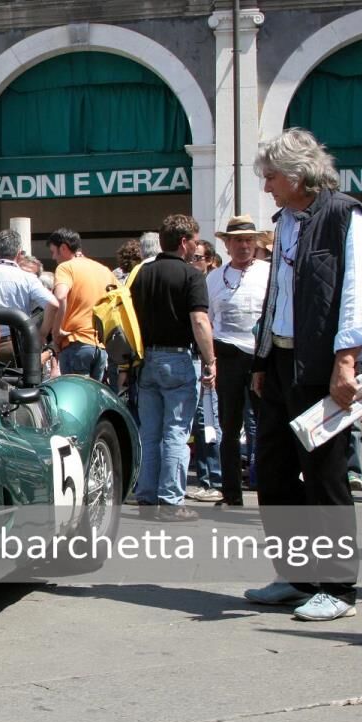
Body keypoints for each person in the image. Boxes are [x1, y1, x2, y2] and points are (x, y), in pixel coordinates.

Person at [244, 128, 362, 621]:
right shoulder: (284, 223)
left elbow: (361, 294)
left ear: (300, 175)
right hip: (280, 363)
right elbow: (276, 297)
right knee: (274, 472)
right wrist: (262, 362)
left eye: (272, 177)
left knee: (326, 476)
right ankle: (298, 576)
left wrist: (347, 362)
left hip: (321, 365)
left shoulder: (345, 216)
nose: (267, 187)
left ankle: (338, 589)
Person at [129, 213, 216, 522]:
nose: (196, 246)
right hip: (179, 359)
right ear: (183, 242)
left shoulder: (142, 274)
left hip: (147, 358)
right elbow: (199, 321)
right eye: (194, 240)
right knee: (176, 432)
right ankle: (170, 501)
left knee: (149, 433)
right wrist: (210, 360)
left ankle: (147, 496)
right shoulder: (192, 276)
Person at [206, 216, 269, 506]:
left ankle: (267, 486)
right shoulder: (214, 277)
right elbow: (206, 320)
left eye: (248, 240)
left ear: (256, 243)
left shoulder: (268, 273)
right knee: (229, 427)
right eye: (238, 241)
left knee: (266, 425)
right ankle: (231, 492)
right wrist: (209, 360)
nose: (244, 246)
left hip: (263, 356)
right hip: (227, 355)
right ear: (227, 245)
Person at [49, 227, 116, 381]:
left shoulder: (65, 267)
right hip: (100, 347)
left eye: (53, 252)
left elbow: (59, 297)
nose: (53, 257)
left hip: (75, 342)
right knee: (92, 399)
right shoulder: (105, 270)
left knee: (75, 397)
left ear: (63, 248)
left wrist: (56, 331)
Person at [186, 237, 224, 503]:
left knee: (209, 419)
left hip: (213, 357)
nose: (193, 262)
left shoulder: (213, 284)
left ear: (210, 260)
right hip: (196, 357)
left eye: (198, 258)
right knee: (203, 420)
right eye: (191, 257)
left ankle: (215, 477)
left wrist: (212, 359)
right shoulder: (190, 283)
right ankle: (208, 477)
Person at [0, 228, 58, 363]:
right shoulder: (27, 278)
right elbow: (53, 304)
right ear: (19, 254)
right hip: (15, 345)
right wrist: (41, 334)